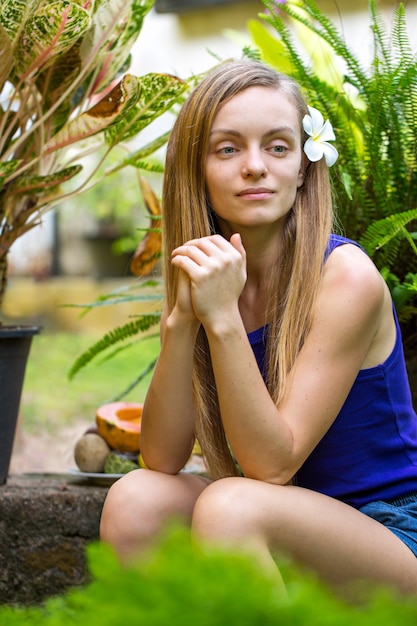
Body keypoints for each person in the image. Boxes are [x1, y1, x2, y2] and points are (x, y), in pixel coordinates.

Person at [100, 59, 417, 596]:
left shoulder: (344, 278)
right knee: (136, 499)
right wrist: (181, 322)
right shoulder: (214, 275)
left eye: (277, 146)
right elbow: (163, 456)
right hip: (275, 517)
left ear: (302, 165)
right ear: (197, 169)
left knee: (232, 504)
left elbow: (270, 467)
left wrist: (221, 320)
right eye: (228, 149)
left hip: (389, 532)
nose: (254, 166)